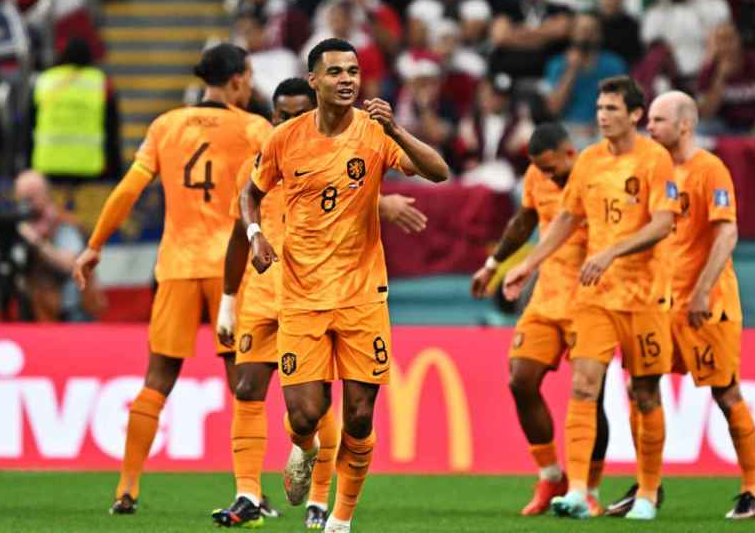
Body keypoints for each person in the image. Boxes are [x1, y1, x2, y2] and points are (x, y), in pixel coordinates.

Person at [240, 38, 449, 533]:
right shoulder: (285, 139)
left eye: (353, 70)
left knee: (358, 416)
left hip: (362, 295)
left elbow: (438, 172)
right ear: (314, 80)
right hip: (303, 296)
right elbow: (251, 193)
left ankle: (340, 520)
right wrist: (255, 234)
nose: (347, 79)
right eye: (335, 72)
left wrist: (396, 127)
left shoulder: (375, 133)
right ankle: (305, 449)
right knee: (305, 414)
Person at [72, 43, 271, 515]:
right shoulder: (253, 128)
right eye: (249, 76)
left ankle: (127, 488)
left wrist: (95, 245)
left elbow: (128, 189)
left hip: (176, 267)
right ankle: (250, 493)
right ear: (239, 79)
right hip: (230, 270)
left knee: (158, 378)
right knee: (243, 382)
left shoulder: (165, 126)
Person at [503, 76, 679, 521]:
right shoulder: (589, 162)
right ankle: (579, 491)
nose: (602, 115)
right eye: (600, 107)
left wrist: (613, 250)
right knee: (583, 387)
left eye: (613, 109)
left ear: (636, 115)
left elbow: (663, 224)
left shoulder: (655, 160)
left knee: (643, 394)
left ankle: (648, 492)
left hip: (643, 295)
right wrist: (527, 263)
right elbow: (565, 219)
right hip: (596, 296)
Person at [469, 122, 609, 517]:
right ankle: (552, 476)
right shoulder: (538, 173)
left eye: (552, 169)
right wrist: (494, 264)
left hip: (595, 298)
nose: (548, 177)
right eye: (541, 170)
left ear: (570, 152)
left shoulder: (597, 176)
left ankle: (589, 489)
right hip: (547, 297)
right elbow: (525, 220)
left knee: (591, 398)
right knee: (520, 380)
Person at [644, 90, 755, 519]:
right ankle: (648, 488)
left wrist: (701, 290)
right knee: (640, 386)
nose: (648, 126)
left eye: (658, 120)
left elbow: (727, 233)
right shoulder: (651, 171)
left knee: (725, 391)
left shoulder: (709, 170)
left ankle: (754, 489)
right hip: (660, 302)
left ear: (684, 125)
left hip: (706, 304)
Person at [14, 170, 102, 322]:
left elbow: (71, 264)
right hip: (40, 310)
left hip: (72, 312)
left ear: (45, 194)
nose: (25, 205)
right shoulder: (22, 225)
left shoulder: (62, 223)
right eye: (21, 199)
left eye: (30, 198)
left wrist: (37, 242)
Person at [29, 37, 122, 182]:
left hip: (48, 166)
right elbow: (112, 129)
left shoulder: (44, 80)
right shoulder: (101, 82)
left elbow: (29, 125)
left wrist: (27, 166)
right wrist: (116, 171)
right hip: (90, 168)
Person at [696, 20, 755, 138]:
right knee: (699, 131)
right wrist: (720, 78)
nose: (726, 46)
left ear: (740, 39)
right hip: (724, 126)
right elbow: (707, 113)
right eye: (720, 41)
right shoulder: (709, 70)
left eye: (730, 39)